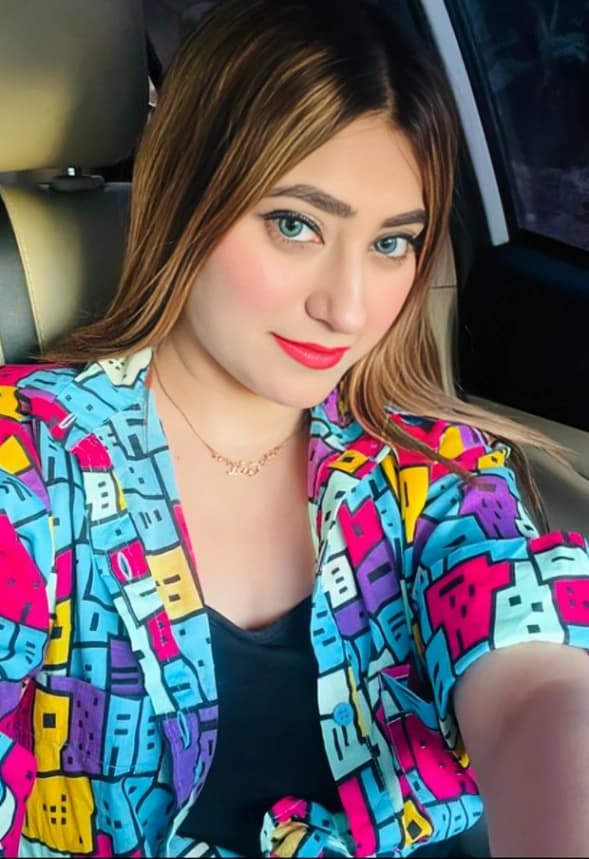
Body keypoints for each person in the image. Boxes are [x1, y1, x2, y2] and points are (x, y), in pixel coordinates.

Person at [1, 1, 588, 856]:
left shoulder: (431, 471)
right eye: (294, 225)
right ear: (188, 196)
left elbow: (537, 685)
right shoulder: (27, 460)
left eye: (391, 244)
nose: (345, 308)